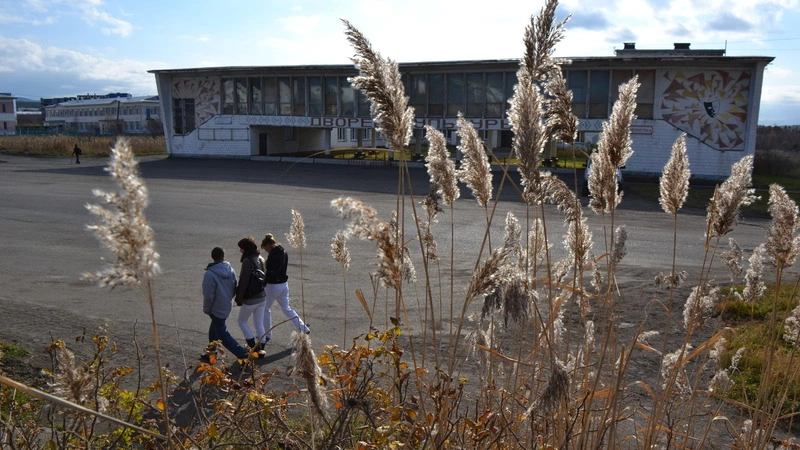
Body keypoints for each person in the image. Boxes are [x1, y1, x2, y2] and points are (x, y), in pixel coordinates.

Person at [201, 247, 248, 362]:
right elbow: (234, 287)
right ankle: (211, 353)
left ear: (212, 257)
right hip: (227, 305)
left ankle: (242, 354)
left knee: (222, 334)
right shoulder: (230, 270)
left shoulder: (210, 274)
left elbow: (208, 296)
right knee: (215, 329)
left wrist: (207, 309)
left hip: (215, 308)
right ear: (223, 256)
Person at [261, 233, 310, 341]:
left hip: (273, 286)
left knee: (265, 309)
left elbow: (270, 271)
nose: (266, 251)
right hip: (283, 285)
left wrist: (264, 280)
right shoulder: (283, 251)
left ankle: (267, 334)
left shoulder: (274, 255)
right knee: (287, 308)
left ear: (269, 245)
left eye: (265, 248)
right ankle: (303, 328)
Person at [235, 237, 268, 356]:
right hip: (262, 296)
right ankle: (261, 347)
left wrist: (239, 298)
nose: (240, 251)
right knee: (259, 323)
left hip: (251, 298)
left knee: (241, 321)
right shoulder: (261, 258)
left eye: (241, 248)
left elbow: (244, 281)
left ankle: (251, 345)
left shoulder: (247, 261)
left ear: (246, 249)